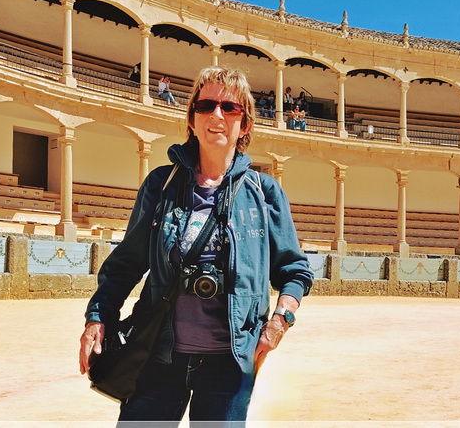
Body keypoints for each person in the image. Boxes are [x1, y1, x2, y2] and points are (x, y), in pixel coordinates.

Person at [79, 66, 314, 424]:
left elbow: (294, 270)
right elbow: (124, 266)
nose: (216, 115)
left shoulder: (264, 193)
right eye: (205, 106)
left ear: (245, 124)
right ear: (192, 119)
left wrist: (281, 319)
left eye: (230, 108)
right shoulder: (161, 184)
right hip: (159, 354)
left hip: (231, 362)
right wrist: (97, 319)